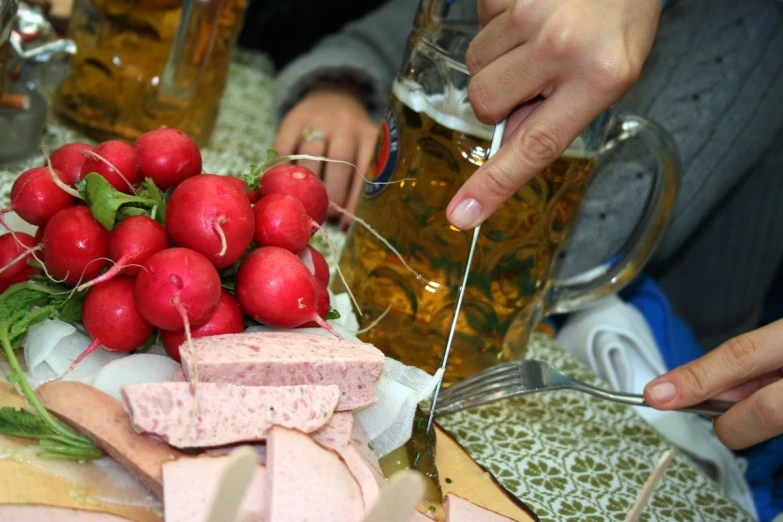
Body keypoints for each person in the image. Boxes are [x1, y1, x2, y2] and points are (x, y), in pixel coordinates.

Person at [272, 0, 783, 449]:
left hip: (666, 405)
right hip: (370, 325)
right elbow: (417, 29)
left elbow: (584, 244)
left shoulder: (757, 28)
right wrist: (339, 85)